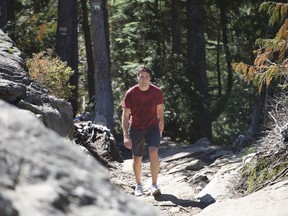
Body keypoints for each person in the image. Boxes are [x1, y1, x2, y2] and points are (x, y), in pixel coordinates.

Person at [121, 65, 164, 197]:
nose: (144, 79)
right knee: (137, 158)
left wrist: (161, 126)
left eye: (146, 77)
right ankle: (139, 185)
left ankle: (154, 185)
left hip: (152, 126)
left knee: (153, 151)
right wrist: (125, 135)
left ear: (150, 78)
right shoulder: (131, 93)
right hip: (136, 128)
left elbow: (160, 111)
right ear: (137, 77)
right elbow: (125, 115)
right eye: (141, 77)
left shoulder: (157, 92)